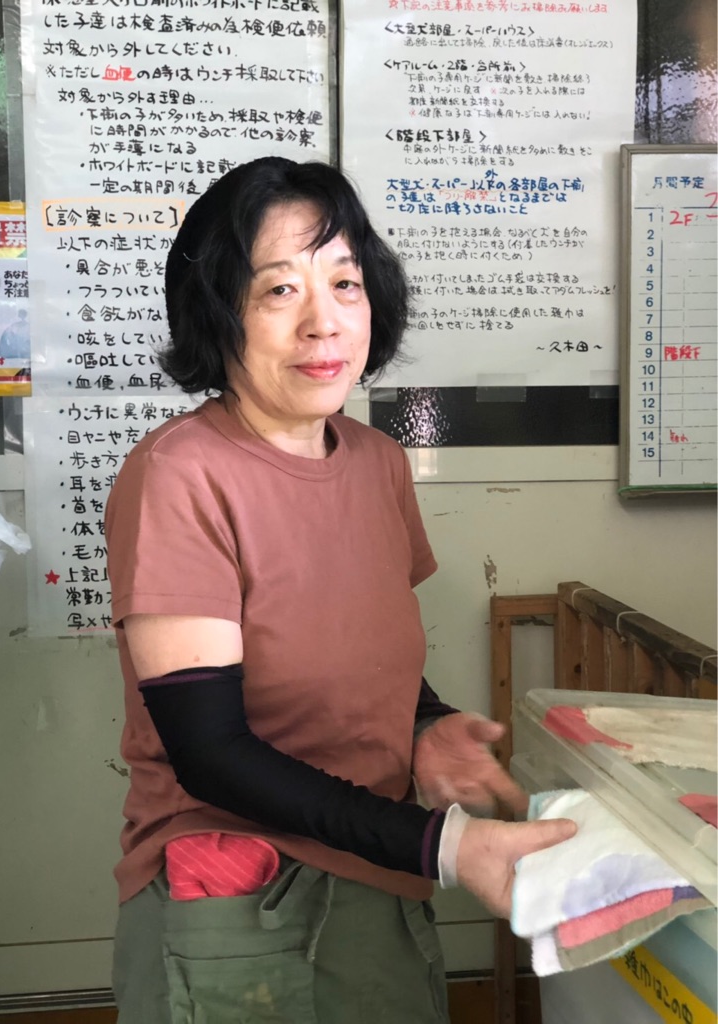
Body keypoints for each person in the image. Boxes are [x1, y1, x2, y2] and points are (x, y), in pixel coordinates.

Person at [105, 156, 576, 1024]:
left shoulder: (377, 462)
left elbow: (357, 646)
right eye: (279, 289)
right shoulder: (180, 473)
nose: (323, 321)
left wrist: (425, 727)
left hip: (379, 868)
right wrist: (448, 846)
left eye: (346, 283)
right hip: (241, 891)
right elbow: (211, 751)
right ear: (218, 312)